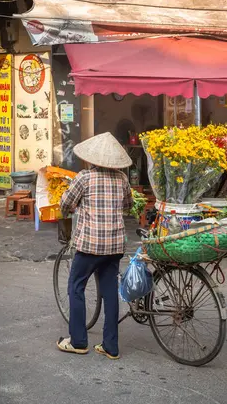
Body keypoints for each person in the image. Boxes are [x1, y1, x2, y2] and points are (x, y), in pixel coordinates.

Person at [56, 132, 133, 360]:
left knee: (76, 286)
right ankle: (111, 346)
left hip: (90, 245)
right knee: (110, 292)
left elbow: (66, 203)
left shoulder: (84, 177)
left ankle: (78, 341)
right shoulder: (122, 179)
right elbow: (128, 205)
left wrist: (72, 208)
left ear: (92, 159)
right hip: (115, 245)